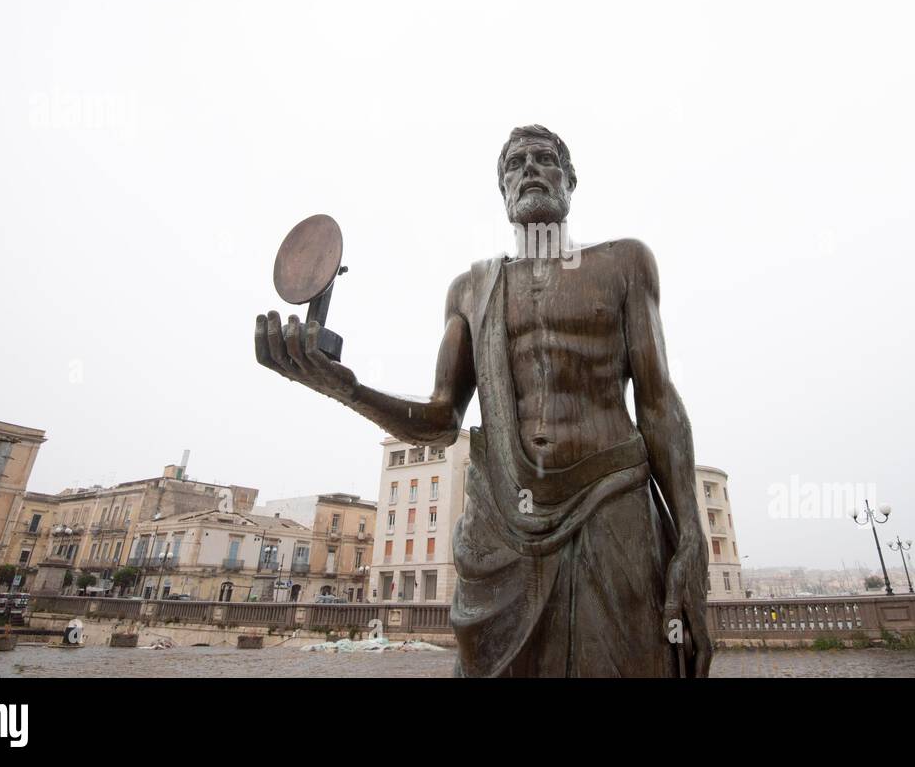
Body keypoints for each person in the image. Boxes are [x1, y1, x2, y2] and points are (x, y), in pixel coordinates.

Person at [256, 125, 710, 677]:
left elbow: (659, 404)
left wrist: (690, 536)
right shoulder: (471, 291)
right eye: (515, 164)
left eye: (545, 159)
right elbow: (441, 418)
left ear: (570, 180)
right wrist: (347, 388)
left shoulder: (624, 263)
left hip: (612, 505)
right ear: (502, 190)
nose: (530, 170)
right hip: (504, 525)